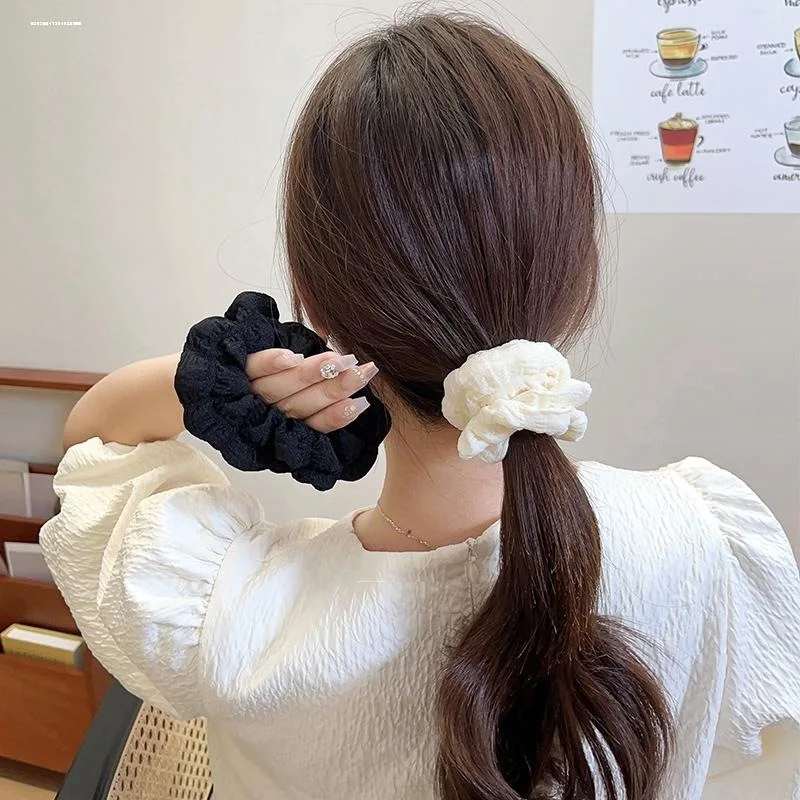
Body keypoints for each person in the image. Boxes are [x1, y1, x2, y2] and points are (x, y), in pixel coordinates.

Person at [39, 12, 799, 800]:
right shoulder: (702, 542)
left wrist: (216, 377)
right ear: (575, 278)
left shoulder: (234, 618)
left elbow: (95, 445)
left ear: (315, 310)